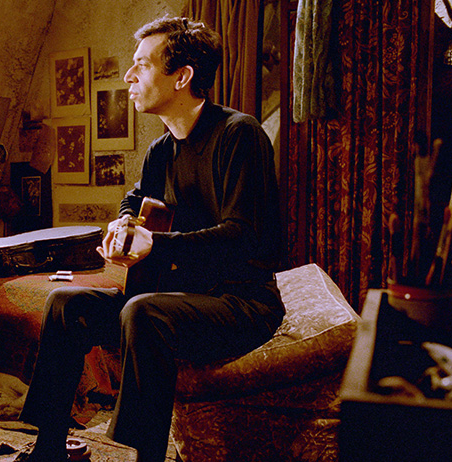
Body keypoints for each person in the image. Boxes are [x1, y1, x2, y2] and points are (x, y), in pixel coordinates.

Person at [16, 17, 285, 462]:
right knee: (66, 303)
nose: (128, 76)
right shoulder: (161, 151)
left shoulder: (240, 134)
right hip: (181, 296)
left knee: (144, 311)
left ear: (182, 77)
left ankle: (145, 456)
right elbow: (135, 198)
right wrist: (123, 224)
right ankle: (48, 449)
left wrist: (156, 246)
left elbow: (244, 237)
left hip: (241, 303)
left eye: (142, 65)